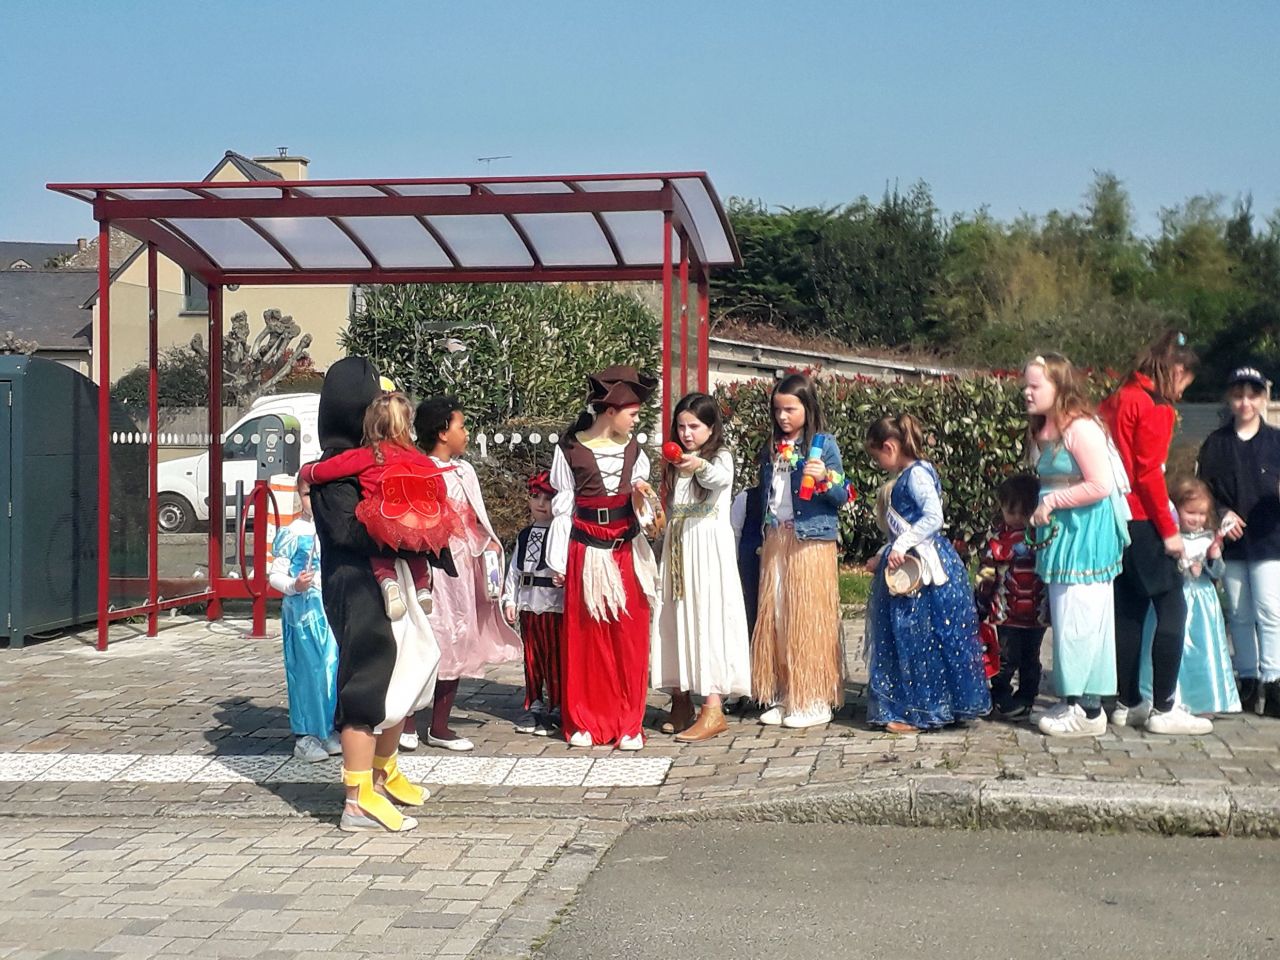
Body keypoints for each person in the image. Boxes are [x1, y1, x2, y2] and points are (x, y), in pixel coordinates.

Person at [308, 358, 446, 833]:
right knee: (367, 682)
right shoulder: (336, 468)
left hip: (393, 579)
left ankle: (384, 773)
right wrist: (402, 529)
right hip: (358, 584)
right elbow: (347, 531)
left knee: (407, 673)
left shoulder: (381, 459)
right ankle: (356, 798)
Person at [1099, 331, 1213, 735]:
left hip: (1114, 515)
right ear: (1176, 370)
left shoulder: (1118, 397)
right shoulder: (1155, 407)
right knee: (1172, 605)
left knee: (1129, 609)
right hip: (1144, 516)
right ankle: (1164, 706)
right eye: (1184, 383)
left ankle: (1126, 700)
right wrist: (1169, 531)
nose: (1181, 393)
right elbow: (1148, 474)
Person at [546, 365, 660, 749]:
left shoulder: (635, 452)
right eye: (633, 413)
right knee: (586, 636)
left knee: (628, 635)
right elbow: (563, 508)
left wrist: (646, 505)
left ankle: (629, 723)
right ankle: (584, 720)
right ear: (611, 411)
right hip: (586, 550)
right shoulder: (570, 449)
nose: (637, 420)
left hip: (625, 550)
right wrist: (558, 562)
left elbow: (645, 507)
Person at [404, 396, 522, 752]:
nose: (466, 433)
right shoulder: (417, 470)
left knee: (456, 636)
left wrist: (487, 547)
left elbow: (476, 521)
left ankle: (439, 725)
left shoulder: (464, 471)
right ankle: (406, 721)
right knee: (425, 636)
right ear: (443, 432)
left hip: (462, 571)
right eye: (461, 426)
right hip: (430, 569)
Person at [864, 414, 990, 732]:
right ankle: (935, 705)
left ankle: (921, 711)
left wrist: (900, 545)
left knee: (917, 638)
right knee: (916, 637)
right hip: (910, 558)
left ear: (890, 447)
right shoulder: (915, 472)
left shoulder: (916, 475)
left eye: (877, 456)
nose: (878, 464)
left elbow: (933, 518)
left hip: (920, 569)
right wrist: (884, 552)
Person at [1024, 354, 1128, 738]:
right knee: (1067, 614)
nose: (1027, 392)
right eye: (1026, 385)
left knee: (1081, 616)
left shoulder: (1081, 429)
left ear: (1059, 387)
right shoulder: (1045, 429)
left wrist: (1052, 501)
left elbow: (1100, 484)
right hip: (1063, 533)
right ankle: (1076, 700)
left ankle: (1086, 706)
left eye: (1035, 386)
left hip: (1085, 534)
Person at [751, 373, 855, 729]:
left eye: (790, 410)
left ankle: (813, 697)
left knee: (807, 616)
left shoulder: (824, 446)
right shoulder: (771, 447)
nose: (783, 417)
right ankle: (787, 691)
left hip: (810, 540)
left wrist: (825, 477)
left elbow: (843, 495)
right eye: (777, 410)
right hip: (776, 539)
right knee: (779, 616)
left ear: (808, 409)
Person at [300, 392, 458, 621]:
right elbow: (439, 489)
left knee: (378, 542)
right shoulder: (420, 458)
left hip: (387, 516)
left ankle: (387, 582)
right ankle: (422, 587)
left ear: (370, 424)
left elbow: (327, 470)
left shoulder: (369, 455)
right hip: (419, 518)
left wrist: (307, 471)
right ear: (407, 425)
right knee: (416, 548)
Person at [651, 392, 752, 742]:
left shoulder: (719, 457)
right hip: (678, 548)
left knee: (706, 620)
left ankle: (712, 706)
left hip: (707, 549)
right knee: (673, 618)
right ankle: (680, 701)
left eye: (694, 426)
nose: (686, 433)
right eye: (681, 426)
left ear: (710, 428)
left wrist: (698, 466)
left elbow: (717, 479)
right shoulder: (674, 461)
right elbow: (671, 509)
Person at [1196, 366, 1280, 717]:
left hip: (1269, 539)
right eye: (1238, 395)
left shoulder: (1275, 441)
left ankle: (1273, 682)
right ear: (1229, 399)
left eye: (1252, 395)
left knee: (1270, 611)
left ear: (1263, 398)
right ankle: (1247, 680)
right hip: (1231, 542)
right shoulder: (1216, 443)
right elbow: (1203, 491)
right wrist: (1221, 513)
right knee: (1239, 613)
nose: (1245, 402)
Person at [1137, 478, 1241, 716]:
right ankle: (1165, 695)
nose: (1197, 519)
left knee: (1203, 650)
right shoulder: (1171, 537)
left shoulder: (1208, 537)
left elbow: (1218, 572)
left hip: (1203, 600)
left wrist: (1213, 556)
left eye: (1202, 514)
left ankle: (1204, 699)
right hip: (1176, 594)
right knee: (1172, 645)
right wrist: (1183, 564)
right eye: (1191, 513)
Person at [267, 476, 341, 762]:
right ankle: (306, 735)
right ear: (299, 495)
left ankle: (326, 728)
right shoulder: (293, 533)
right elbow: (275, 575)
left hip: (329, 609)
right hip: (303, 613)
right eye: (308, 494)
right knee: (307, 670)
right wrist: (294, 585)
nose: (314, 500)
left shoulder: (331, 529)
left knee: (330, 667)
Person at [975, 474, 1049, 720]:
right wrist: (981, 601)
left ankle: (1027, 697)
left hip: (1036, 612)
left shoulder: (1043, 538)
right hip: (1006, 612)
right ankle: (1000, 695)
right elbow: (986, 573)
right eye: (1011, 511)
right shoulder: (997, 540)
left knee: (1031, 658)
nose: (1017, 518)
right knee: (1005, 657)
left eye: (1023, 512)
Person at [502, 470, 565, 736]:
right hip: (529, 605)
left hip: (555, 605)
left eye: (548, 499)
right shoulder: (525, 535)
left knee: (555, 657)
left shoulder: (563, 534)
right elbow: (514, 571)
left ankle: (558, 705)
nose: (541, 504)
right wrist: (510, 599)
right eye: (536, 497)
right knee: (532, 656)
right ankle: (534, 702)